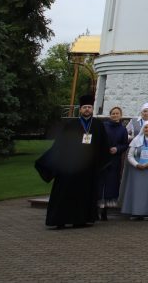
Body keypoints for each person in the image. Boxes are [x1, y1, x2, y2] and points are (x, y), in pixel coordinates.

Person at [37, 94, 110, 229]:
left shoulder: (98, 125)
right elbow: (60, 144)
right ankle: (59, 220)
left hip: (88, 167)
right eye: (84, 107)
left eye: (89, 107)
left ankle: (81, 220)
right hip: (70, 165)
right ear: (80, 109)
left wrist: (100, 161)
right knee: (64, 192)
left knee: (84, 194)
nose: (87, 109)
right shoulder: (71, 124)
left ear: (92, 109)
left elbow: (103, 145)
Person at [120, 119, 148, 220]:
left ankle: (146, 213)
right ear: (143, 129)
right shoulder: (136, 139)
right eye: (146, 127)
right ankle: (134, 212)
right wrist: (136, 164)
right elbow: (130, 155)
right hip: (137, 170)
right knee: (135, 191)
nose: (147, 129)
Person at [98, 106, 129, 220]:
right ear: (110, 115)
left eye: (117, 113)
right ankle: (96, 209)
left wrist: (117, 149)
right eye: (113, 113)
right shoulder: (104, 126)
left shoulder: (123, 129)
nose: (115, 115)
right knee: (100, 184)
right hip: (102, 158)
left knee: (110, 185)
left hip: (114, 160)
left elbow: (125, 144)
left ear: (120, 115)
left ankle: (105, 210)